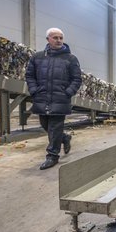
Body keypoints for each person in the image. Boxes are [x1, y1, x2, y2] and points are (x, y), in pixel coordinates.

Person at [25, 27, 82, 170]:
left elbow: (76, 79)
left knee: (55, 127)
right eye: (55, 38)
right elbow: (29, 76)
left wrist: (67, 92)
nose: (58, 40)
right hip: (42, 97)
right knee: (45, 125)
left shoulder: (70, 59)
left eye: (61, 38)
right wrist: (33, 90)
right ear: (48, 39)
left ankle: (52, 156)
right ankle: (64, 138)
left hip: (60, 98)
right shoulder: (37, 57)